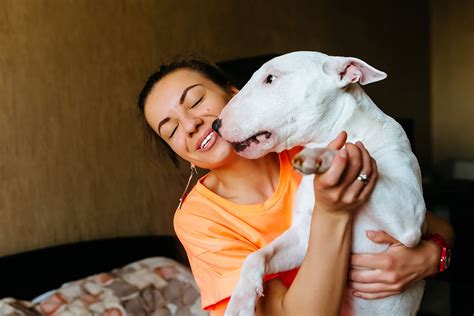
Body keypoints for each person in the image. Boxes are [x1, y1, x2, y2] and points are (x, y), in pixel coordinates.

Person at [137, 58, 454, 315]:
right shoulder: (199, 220)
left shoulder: (303, 143)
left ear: (238, 94)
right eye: (171, 129)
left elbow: (431, 223)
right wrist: (333, 212)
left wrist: (431, 255)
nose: (190, 124)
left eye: (196, 100)